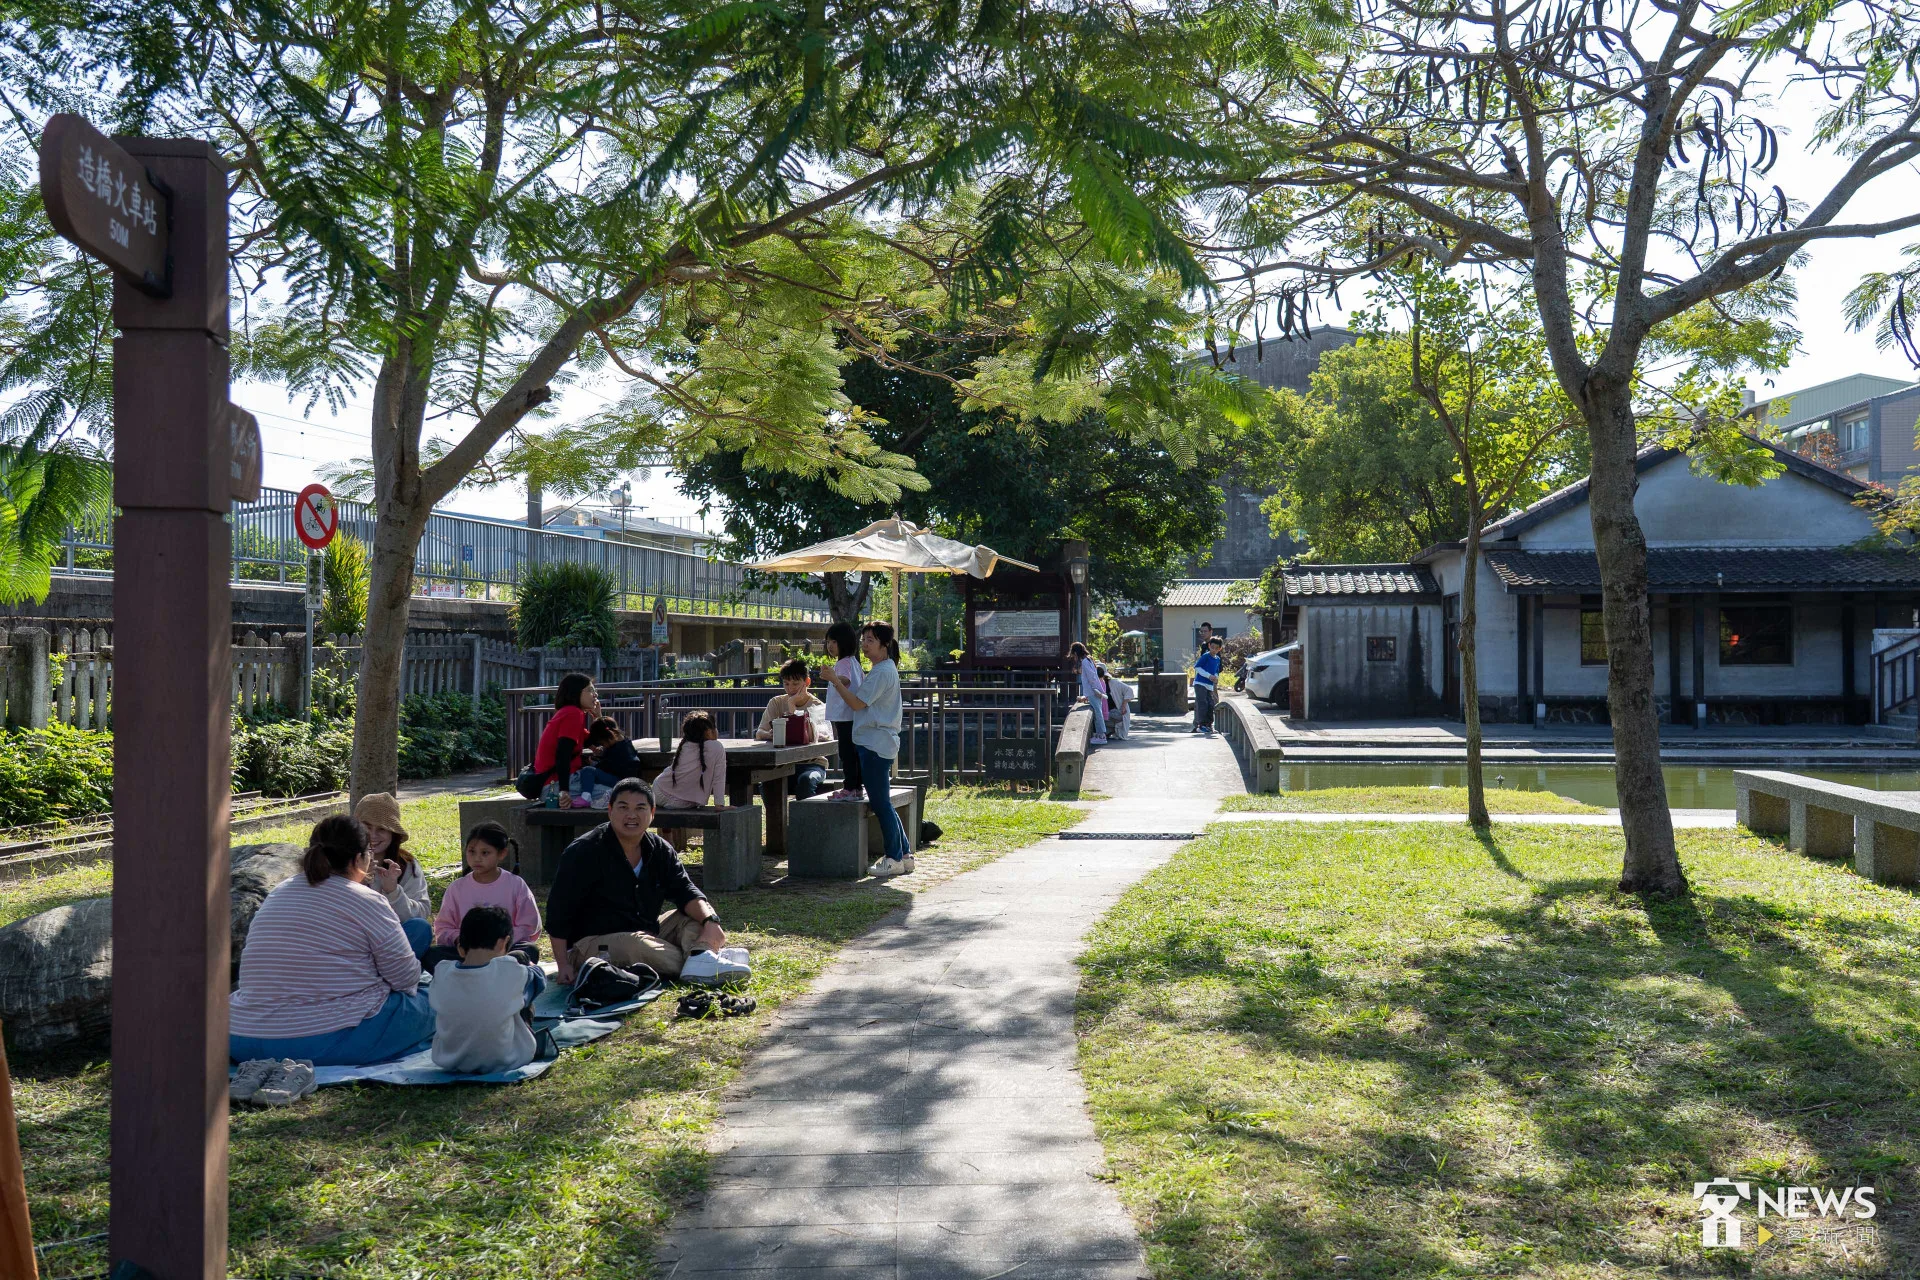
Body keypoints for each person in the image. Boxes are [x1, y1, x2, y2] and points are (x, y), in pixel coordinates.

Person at [228, 815, 435, 1066]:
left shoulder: (279, 893)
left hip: (241, 1035)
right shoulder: (366, 900)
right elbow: (405, 979)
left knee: (415, 932)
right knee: (435, 1000)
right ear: (360, 858)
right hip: (319, 1039)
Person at [544, 778, 726, 981]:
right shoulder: (584, 851)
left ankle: (702, 956)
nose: (631, 815)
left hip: (647, 932)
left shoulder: (659, 849)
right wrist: (563, 965)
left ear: (652, 812)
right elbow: (558, 913)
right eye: (623, 807)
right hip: (590, 944)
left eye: (640, 808)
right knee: (636, 946)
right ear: (610, 810)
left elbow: (685, 890)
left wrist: (711, 922)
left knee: (695, 919)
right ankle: (703, 961)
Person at [826, 621, 912, 876]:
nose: (864, 644)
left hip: (875, 743)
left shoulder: (882, 671)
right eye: (863, 639)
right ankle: (904, 854)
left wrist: (834, 680)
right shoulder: (882, 669)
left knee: (881, 803)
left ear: (885, 644)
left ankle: (894, 858)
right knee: (882, 802)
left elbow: (856, 704)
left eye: (871, 640)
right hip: (876, 742)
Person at [428, 905, 548, 1075]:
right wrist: (527, 965)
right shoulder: (509, 969)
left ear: (461, 947)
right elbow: (539, 980)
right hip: (507, 1059)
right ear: (504, 943)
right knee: (522, 991)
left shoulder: (442, 971)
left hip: (452, 1060)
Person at [423, 822, 542, 972]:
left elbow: (528, 926)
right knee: (432, 955)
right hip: (467, 952)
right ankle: (480, 970)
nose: (477, 858)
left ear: (502, 853)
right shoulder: (457, 888)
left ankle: (478, 971)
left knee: (528, 951)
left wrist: (497, 941)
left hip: (503, 950)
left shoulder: (515, 884)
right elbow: (443, 928)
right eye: (472, 852)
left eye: (485, 853)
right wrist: (463, 940)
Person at [354, 792, 433, 958]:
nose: (373, 836)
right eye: (367, 827)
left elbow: (421, 913)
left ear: (393, 833)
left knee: (420, 928)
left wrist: (393, 892)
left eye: (382, 829)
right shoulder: (341, 861)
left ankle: (395, 975)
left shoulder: (407, 865)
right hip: (352, 942)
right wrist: (357, 883)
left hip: (391, 943)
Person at [754, 657, 831, 799]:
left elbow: (824, 736)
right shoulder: (776, 702)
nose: (790, 689)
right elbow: (760, 733)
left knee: (806, 781)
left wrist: (792, 707)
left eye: (795, 684)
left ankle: (803, 821)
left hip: (812, 764)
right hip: (781, 764)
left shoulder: (818, 705)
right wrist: (773, 734)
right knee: (767, 783)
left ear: (807, 682)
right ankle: (775, 822)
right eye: (786, 684)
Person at [531, 671, 602, 796]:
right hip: (556, 785)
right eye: (590, 690)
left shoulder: (568, 712)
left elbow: (593, 741)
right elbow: (563, 754)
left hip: (554, 783)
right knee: (617, 793)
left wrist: (598, 717)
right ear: (576, 692)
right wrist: (564, 791)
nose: (595, 694)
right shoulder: (572, 713)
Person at [820, 621, 865, 800]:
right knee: (854, 753)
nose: (830, 646)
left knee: (847, 753)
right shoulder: (854, 661)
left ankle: (849, 788)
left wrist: (832, 677)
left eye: (834, 642)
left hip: (846, 715)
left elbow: (845, 680)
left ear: (844, 642)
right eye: (828, 642)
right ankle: (857, 787)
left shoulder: (843, 663)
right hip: (853, 714)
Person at [655, 710, 727, 810]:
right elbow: (719, 778)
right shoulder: (716, 747)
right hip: (684, 801)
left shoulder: (685, 744)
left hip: (658, 790)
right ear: (709, 731)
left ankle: (667, 826)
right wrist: (719, 804)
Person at [583, 717, 645, 781]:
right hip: (633, 779)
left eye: (602, 743)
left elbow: (603, 767)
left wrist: (593, 763)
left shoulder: (615, 752)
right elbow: (604, 726)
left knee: (587, 770)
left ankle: (586, 791)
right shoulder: (626, 742)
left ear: (608, 737)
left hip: (621, 782)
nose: (603, 746)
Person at [1070, 641, 1108, 745]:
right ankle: (1100, 734)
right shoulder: (1089, 660)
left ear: (1076, 653)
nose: (1074, 658)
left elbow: (1091, 678)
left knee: (1098, 713)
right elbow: (1093, 676)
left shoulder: (1085, 662)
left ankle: (1102, 736)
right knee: (1097, 712)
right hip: (1093, 691)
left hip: (1093, 691)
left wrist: (1095, 691)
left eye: (1074, 655)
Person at [1193, 634, 1224, 736]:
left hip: (1209, 685)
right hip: (1200, 683)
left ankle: (1209, 725)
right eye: (1212, 647)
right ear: (1209, 645)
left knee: (1211, 704)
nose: (1214, 650)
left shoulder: (1217, 659)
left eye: (1216, 648)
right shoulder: (1205, 656)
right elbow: (1197, 667)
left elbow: (1216, 671)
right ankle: (1201, 725)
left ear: (1219, 649)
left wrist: (1215, 677)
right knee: (1203, 704)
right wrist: (1208, 676)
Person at [1099, 663, 1133, 741]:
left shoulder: (1113, 683)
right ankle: (1110, 730)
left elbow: (1129, 690)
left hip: (1117, 712)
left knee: (1099, 717)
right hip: (1108, 713)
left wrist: (1124, 705)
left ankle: (1111, 729)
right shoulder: (1097, 685)